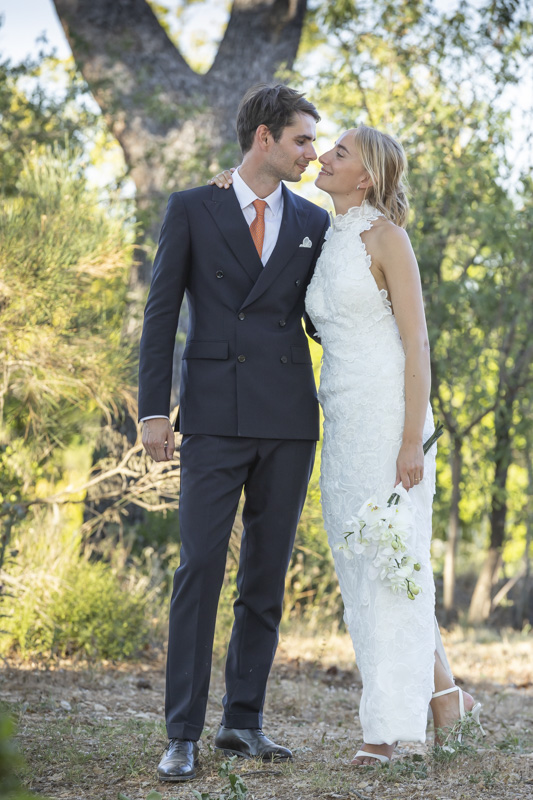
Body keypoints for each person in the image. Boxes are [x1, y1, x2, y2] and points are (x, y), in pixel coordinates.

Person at [211, 125, 484, 765]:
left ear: (366, 176)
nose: (321, 158)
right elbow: (260, 218)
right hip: (341, 418)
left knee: (393, 562)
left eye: (338, 154)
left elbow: (416, 344)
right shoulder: (320, 232)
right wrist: (227, 188)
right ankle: (446, 697)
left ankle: (390, 734)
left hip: (391, 415)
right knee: (370, 565)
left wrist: (412, 441)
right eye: (323, 149)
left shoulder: (388, 238)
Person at [138, 83, 329, 782]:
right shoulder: (193, 206)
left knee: (265, 577)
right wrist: (153, 409)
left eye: (314, 141)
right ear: (264, 140)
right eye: (303, 139)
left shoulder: (315, 220)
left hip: (287, 417)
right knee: (198, 569)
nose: (312, 151)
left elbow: (326, 315)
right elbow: (161, 314)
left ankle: (242, 722)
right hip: (213, 416)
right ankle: (181, 732)